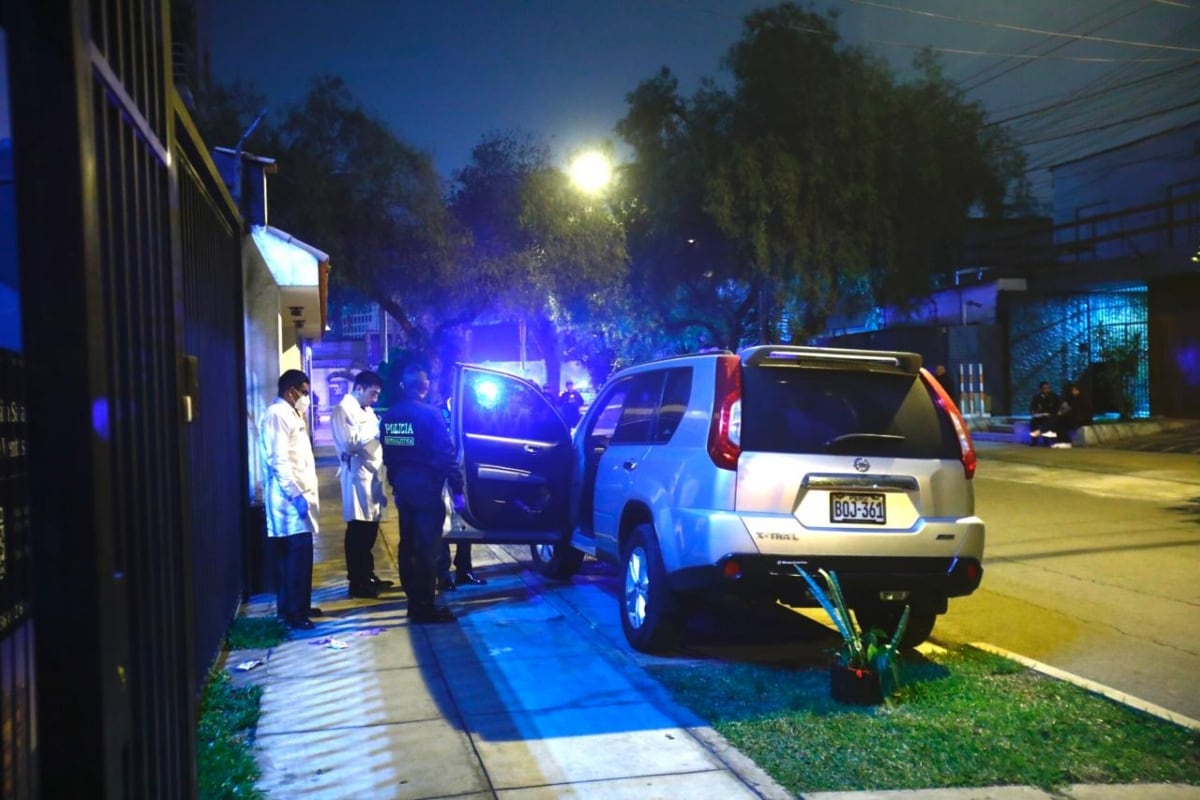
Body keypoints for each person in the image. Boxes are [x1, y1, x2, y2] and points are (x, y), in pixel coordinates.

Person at [381, 365, 465, 624]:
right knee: (428, 549)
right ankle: (425, 606)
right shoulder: (431, 415)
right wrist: (457, 487)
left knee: (408, 546)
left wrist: (396, 485)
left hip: (403, 488)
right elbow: (445, 453)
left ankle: (413, 601)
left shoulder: (390, 416)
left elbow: (388, 455)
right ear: (424, 387)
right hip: (427, 488)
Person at [261, 369, 320, 630]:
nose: (306, 398)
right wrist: (295, 494)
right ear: (291, 391)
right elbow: (278, 459)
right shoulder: (276, 415)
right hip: (288, 500)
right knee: (295, 558)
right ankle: (294, 613)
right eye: (304, 393)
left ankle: (297, 606)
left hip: (296, 496)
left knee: (298, 557)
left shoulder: (292, 413)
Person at [330, 369, 394, 598]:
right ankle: (357, 581)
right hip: (358, 478)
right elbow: (349, 443)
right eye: (372, 394)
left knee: (370, 532)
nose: (375, 399)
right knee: (358, 532)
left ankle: (368, 575)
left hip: (373, 476)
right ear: (359, 388)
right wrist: (375, 427)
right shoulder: (343, 410)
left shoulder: (365, 409)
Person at [1053, 383, 1093, 448]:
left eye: (1075, 390)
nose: (1074, 392)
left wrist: (1067, 412)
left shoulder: (1083, 399)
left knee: (1062, 421)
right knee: (1059, 420)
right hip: (1074, 418)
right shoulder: (1072, 399)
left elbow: (1083, 411)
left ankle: (1066, 441)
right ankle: (1061, 441)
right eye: (1073, 390)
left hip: (1083, 419)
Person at [1028, 380, 1061, 446]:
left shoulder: (1053, 396)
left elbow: (1058, 407)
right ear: (1041, 389)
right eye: (1044, 388)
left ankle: (1046, 441)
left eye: (1048, 388)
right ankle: (1034, 440)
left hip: (1051, 415)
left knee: (1048, 422)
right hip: (1040, 416)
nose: (1046, 389)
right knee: (1033, 421)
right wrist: (1035, 413)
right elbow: (1032, 408)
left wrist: (1053, 413)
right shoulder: (1037, 397)